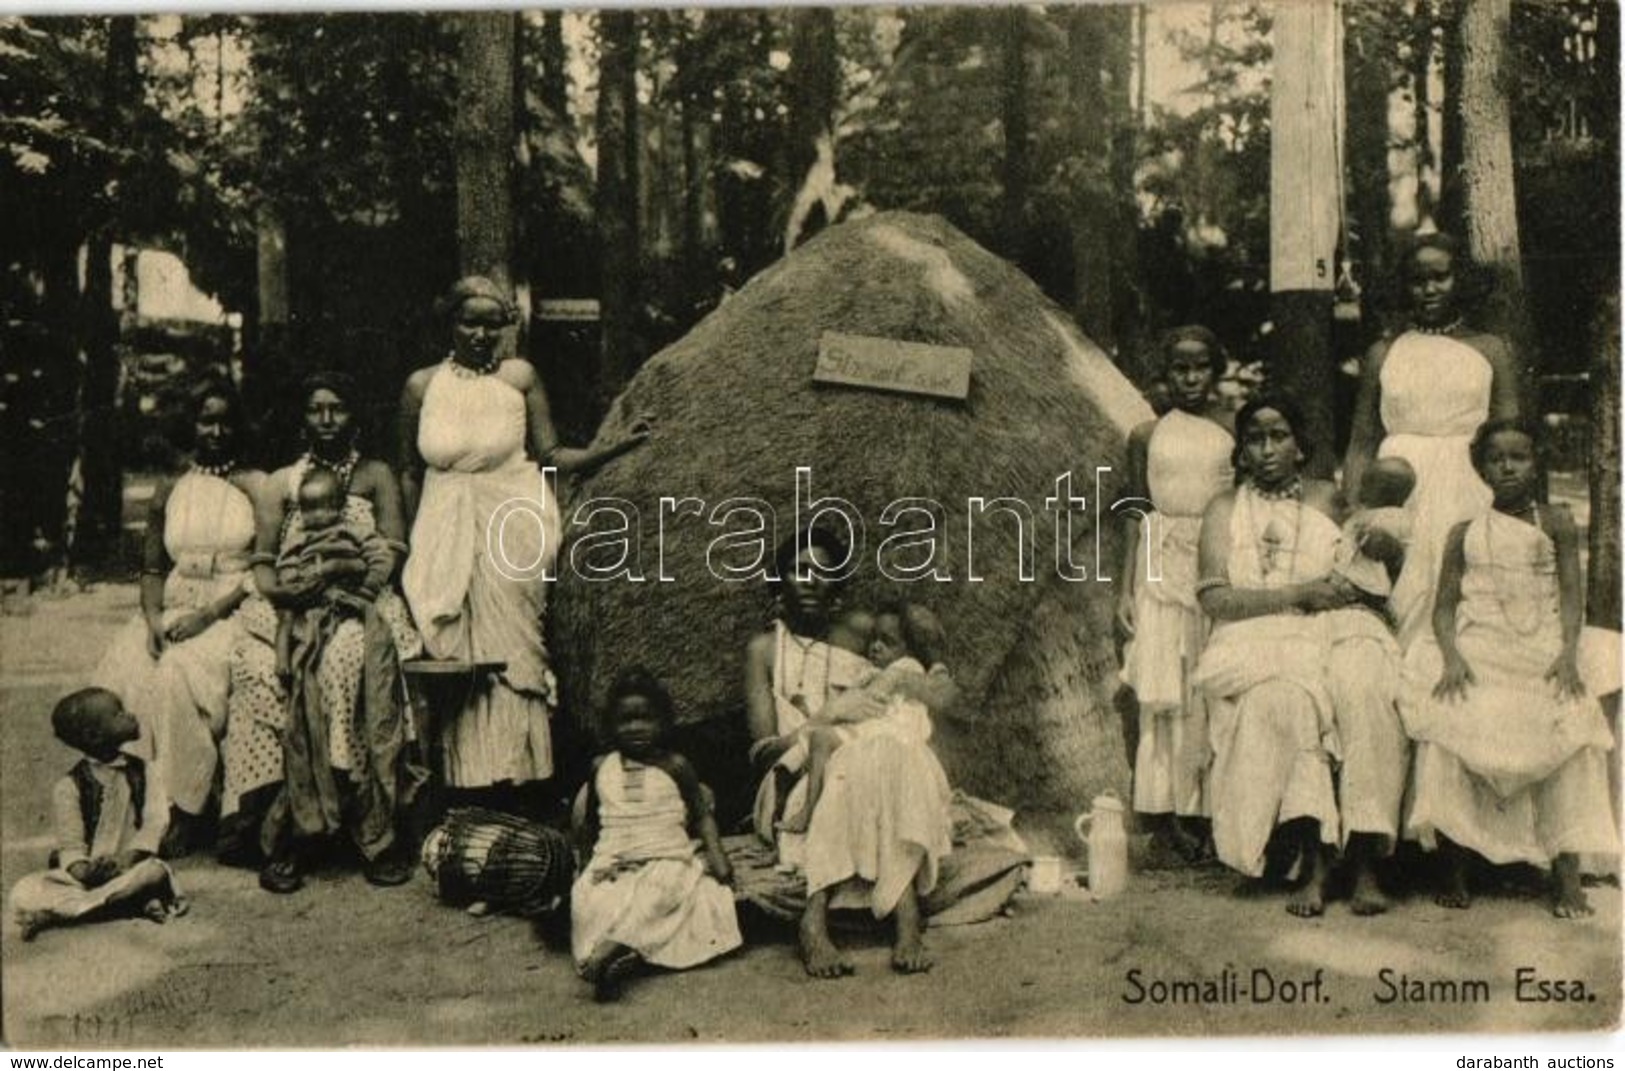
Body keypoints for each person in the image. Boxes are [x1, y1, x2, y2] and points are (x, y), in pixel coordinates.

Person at [399, 276, 648, 817]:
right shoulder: (422, 386)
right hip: (444, 528)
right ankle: (464, 791)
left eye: (494, 323)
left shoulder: (519, 379)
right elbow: (409, 472)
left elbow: (552, 452)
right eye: (471, 321)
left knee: (514, 653)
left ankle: (524, 787)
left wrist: (615, 448)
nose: (482, 333)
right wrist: (410, 540)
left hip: (513, 521)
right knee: (452, 655)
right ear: (450, 324)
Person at [1401, 419, 1619, 918]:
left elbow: (1571, 597)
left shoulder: (1556, 521)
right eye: (1496, 459)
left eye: (1518, 457)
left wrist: (1567, 652)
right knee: (1450, 716)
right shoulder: (1464, 532)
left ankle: (1566, 872)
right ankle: (1454, 862)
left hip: (1539, 646)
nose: (1507, 467)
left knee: (1571, 719)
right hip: (1480, 646)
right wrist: (1452, 656)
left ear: (1535, 462)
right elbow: (1443, 606)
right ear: (1481, 469)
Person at [1195, 396, 1398, 918]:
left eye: (1278, 436)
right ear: (1240, 452)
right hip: (1257, 633)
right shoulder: (1223, 509)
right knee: (1288, 699)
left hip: (1334, 623)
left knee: (1363, 685)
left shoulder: (1329, 499)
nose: (1266, 449)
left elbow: (1369, 577)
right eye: (1255, 439)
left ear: (1301, 445)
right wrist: (1297, 595)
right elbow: (1214, 597)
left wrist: (1380, 553)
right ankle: (1316, 860)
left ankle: (1365, 859)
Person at [223, 371, 423, 893]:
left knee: (343, 664)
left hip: (361, 600)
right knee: (260, 670)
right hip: (291, 603)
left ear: (354, 414)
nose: (327, 419)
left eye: (337, 408)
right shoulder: (281, 482)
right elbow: (264, 563)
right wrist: (290, 597)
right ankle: (290, 825)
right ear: (302, 416)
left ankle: (368, 831)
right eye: (316, 409)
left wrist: (349, 584)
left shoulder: (375, 475)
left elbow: (394, 549)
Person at [744, 527, 955, 977]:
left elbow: (941, 688)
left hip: (873, 758)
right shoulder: (764, 650)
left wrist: (902, 681)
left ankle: (850, 917)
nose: (810, 580)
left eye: (823, 572)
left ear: (837, 585)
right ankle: (850, 918)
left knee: (885, 753)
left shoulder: (863, 632)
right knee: (862, 761)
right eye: (799, 570)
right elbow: (763, 755)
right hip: (797, 778)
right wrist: (828, 715)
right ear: (781, 580)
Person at [91, 385, 265, 850]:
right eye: (206, 421)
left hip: (230, 610)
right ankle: (143, 805)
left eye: (226, 422)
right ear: (191, 426)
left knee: (174, 672)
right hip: (171, 610)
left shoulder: (253, 483)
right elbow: (152, 569)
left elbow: (260, 567)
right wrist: (151, 619)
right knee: (130, 672)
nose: (216, 431)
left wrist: (208, 615)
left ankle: (186, 809)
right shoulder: (170, 488)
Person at [1343, 233, 1521, 647]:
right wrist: (1355, 508)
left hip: (1468, 483)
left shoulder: (1490, 349)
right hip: (1397, 485)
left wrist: (1513, 507)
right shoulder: (1383, 353)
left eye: (1440, 277)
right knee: (1402, 594)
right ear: (1403, 286)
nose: (1429, 289)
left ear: (1461, 280)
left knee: (1466, 595)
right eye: (1417, 280)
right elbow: (1362, 440)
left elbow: (1510, 437)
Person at [1116, 325, 1235, 862]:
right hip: (1159, 564)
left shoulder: (1234, 426)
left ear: (1216, 370)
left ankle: (1208, 811)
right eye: (1180, 368)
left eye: (1200, 366)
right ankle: (1164, 816)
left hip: (1215, 557)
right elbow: (1136, 512)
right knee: (1164, 690)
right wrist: (1124, 587)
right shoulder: (1146, 434)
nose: (1190, 378)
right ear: (1166, 373)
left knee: (1206, 685)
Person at [571, 668, 740, 1002]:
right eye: (625, 721)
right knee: (588, 899)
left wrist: (719, 860)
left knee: (664, 891)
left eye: (645, 719)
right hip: (614, 857)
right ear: (610, 726)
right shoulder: (600, 767)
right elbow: (591, 822)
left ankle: (613, 948)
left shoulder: (676, 765)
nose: (635, 728)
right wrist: (587, 864)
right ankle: (625, 956)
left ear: (663, 722)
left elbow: (702, 816)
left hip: (666, 854)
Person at [10, 689, 187, 940]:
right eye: (118, 714)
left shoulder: (147, 771)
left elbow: (155, 823)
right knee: (23, 891)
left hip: (132, 866)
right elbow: (70, 843)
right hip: (88, 877)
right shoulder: (68, 786)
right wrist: (81, 869)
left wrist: (128, 857)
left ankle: (56, 916)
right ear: (94, 736)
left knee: (154, 872)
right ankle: (130, 905)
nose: (130, 715)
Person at [778, 602, 943, 835]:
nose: (875, 647)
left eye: (888, 641)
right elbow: (853, 698)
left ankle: (807, 811)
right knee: (817, 742)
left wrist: (855, 694)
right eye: (874, 639)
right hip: (878, 727)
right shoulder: (878, 670)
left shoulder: (907, 666)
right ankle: (794, 784)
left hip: (891, 730)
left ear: (910, 648)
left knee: (820, 739)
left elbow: (871, 695)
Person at [272, 467, 397, 687]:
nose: (316, 515)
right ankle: (283, 652)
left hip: (349, 591)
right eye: (308, 509)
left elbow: (381, 557)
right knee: (286, 614)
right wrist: (295, 580)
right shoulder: (299, 538)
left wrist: (367, 587)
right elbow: (286, 562)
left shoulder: (352, 531)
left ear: (340, 507)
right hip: (308, 595)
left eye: (323, 507)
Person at [1330, 457, 1415, 608]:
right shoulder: (1404, 518)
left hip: (1362, 581)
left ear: (1382, 491)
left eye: (1365, 484)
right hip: (1357, 579)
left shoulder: (1387, 518)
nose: (1360, 489)